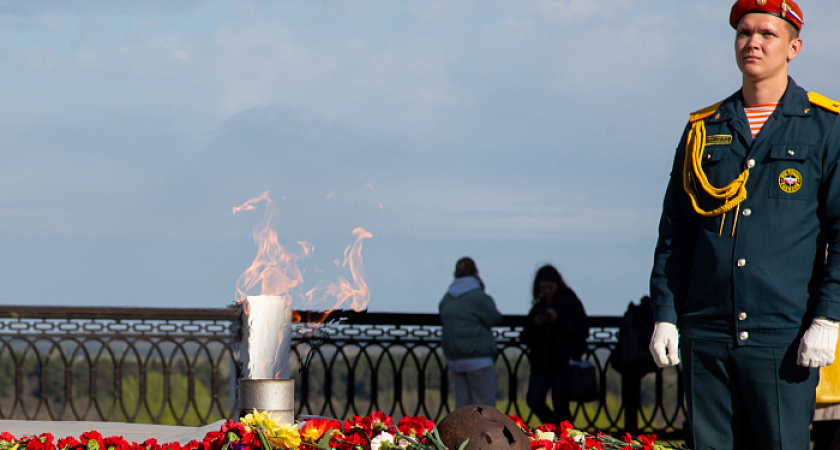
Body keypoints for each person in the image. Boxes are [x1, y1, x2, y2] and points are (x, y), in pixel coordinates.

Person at [648, 1, 840, 448]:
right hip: (706, 332)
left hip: (783, 333)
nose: (753, 42)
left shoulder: (824, 127)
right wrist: (665, 314)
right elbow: (675, 233)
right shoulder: (704, 127)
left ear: (794, 47)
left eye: (767, 34)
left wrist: (829, 317)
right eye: (744, 33)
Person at [520, 264, 588, 426]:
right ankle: (556, 429)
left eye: (549, 287)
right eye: (542, 288)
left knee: (561, 405)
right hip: (540, 363)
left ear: (557, 285)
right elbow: (525, 335)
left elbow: (581, 331)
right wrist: (537, 322)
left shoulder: (569, 300)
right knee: (534, 399)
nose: (546, 291)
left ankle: (565, 436)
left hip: (563, 363)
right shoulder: (539, 305)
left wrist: (557, 319)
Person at [439, 257, 503, 409]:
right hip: (479, 358)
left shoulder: (448, 298)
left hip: (455, 358)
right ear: (475, 273)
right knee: (484, 408)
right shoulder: (477, 296)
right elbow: (495, 318)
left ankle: (462, 434)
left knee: (462, 408)